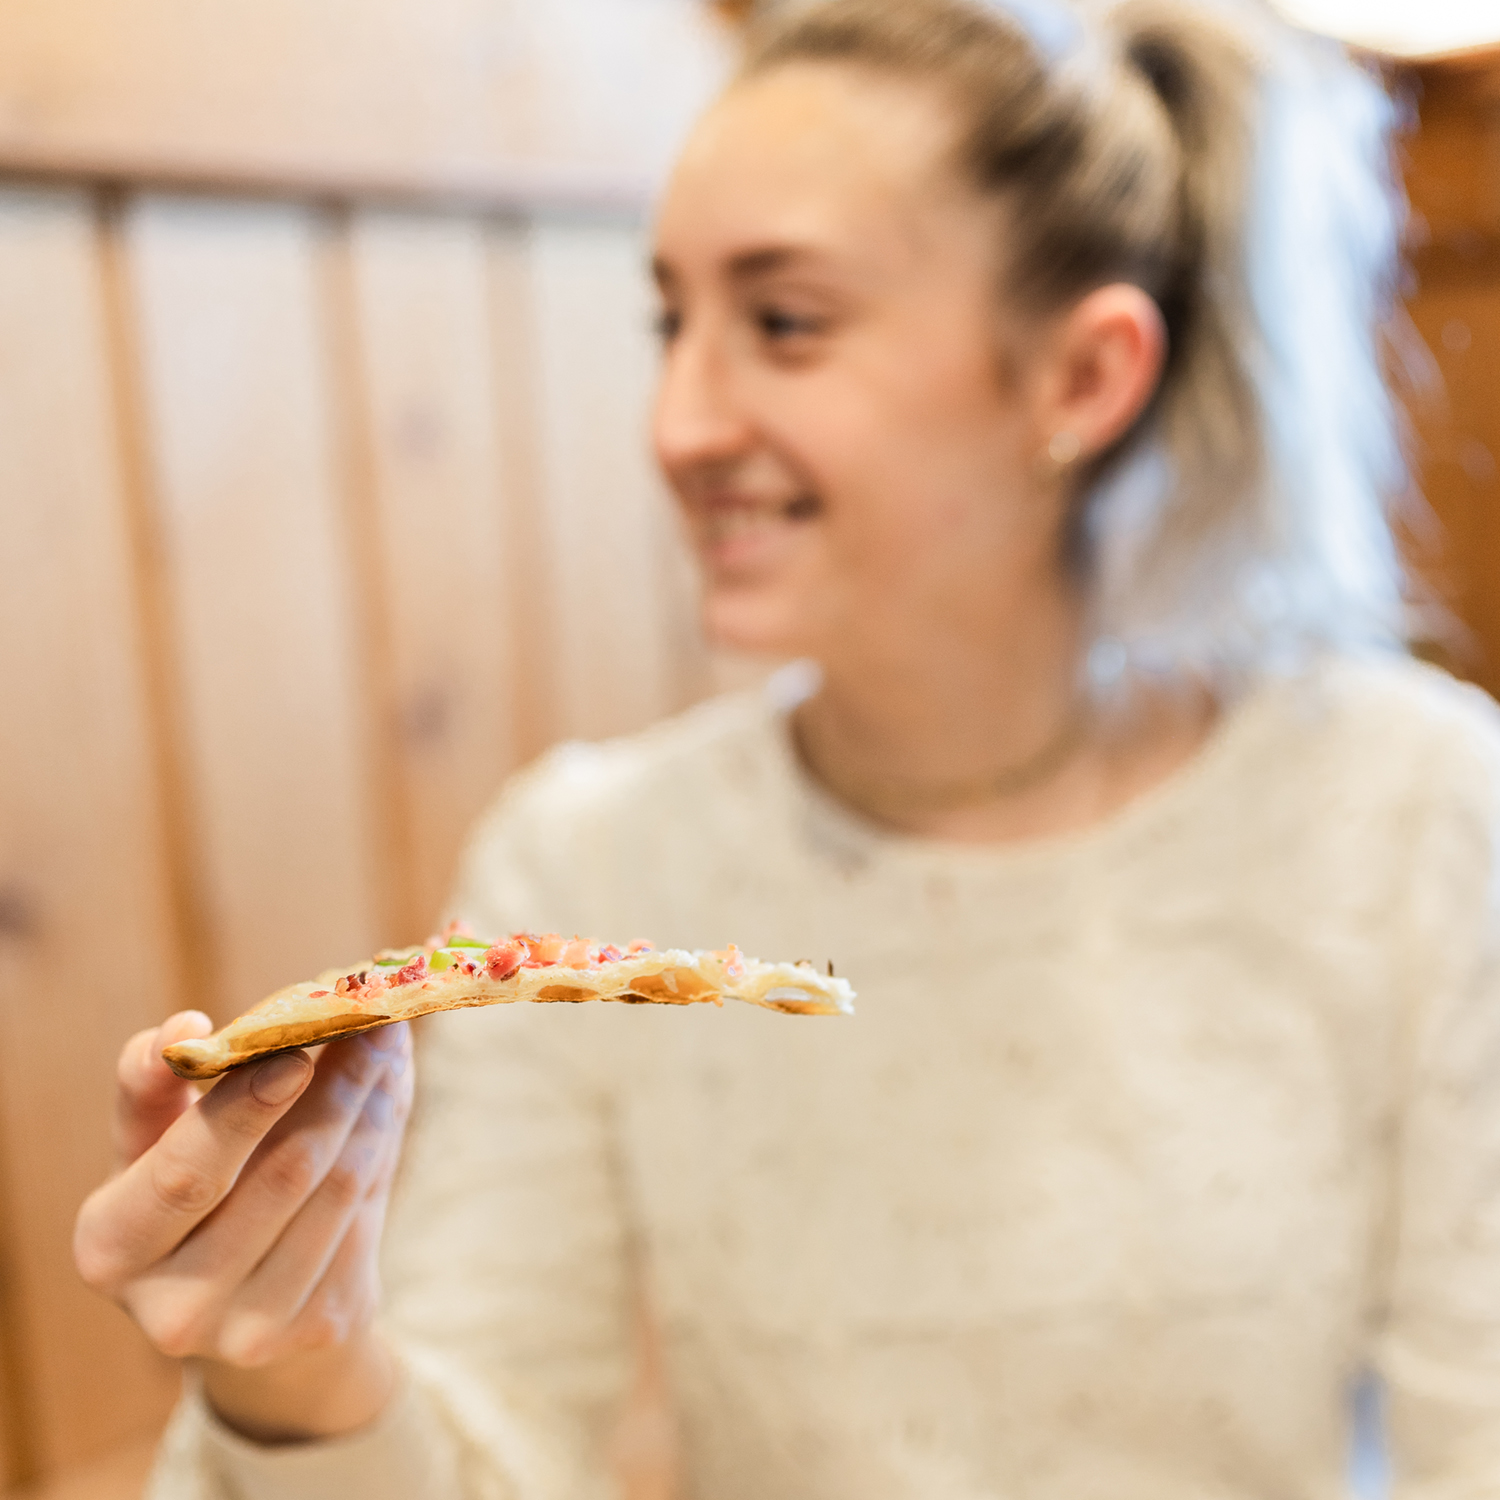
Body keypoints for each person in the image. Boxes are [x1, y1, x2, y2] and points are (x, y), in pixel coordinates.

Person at [75, 0, 1500, 1494]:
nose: (679, 422)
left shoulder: (1422, 819)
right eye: (668, 322)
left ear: (1082, 378)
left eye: (785, 324)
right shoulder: (591, 861)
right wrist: (294, 1373)